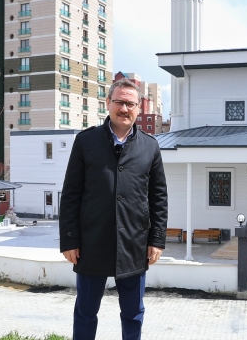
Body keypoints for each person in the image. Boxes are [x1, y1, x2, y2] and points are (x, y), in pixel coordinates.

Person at [59, 78, 168, 340]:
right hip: (91, 242)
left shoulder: (150, 146)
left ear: (139, 108)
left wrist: (156, 240)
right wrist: (70, 239)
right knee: (85, 312)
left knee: (133, 313)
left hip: (134, 244)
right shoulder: (86, 141)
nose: (124, 108)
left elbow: (158, 197)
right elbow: (71, 194)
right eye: (119, 102)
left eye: (130, 104)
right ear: (108, 103)